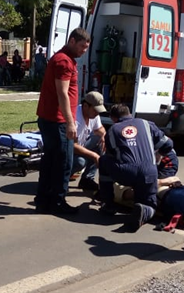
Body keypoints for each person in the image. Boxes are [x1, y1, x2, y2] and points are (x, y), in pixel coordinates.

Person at [34, 28, 91, 215]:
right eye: (82, 46)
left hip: (52, 119)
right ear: (72, 41)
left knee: (51, 161)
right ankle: (56, 202)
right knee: (63, 163)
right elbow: (62, 93)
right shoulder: (63, 62)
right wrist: (70, 122)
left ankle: (44, 201)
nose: (84, 50)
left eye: (86, 47)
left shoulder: (63, 59)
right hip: (57, 121)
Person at [98, 103, 174, 232]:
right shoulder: (146, 124)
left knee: (103, 160)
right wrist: (158, 155)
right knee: (149, 203)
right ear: (129, 113)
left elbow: (111, 155)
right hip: (148, 172)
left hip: (125, 173)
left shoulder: (112, 130)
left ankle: (108, 204)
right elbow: (168, 144)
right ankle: (144, 210)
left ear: (113, 118)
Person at [72, 91, 107, 192]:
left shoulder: (94, 116)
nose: (97, 113)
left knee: (99, 142)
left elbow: (100, 129)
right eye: (95, 110)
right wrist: (94, 155)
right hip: (67, 150)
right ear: (85, 106)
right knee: (80, 162)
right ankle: (59, 179)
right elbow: (73, 146)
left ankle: (87, 180)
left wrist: (104, 135)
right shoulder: (75, 118)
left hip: (79, 145)